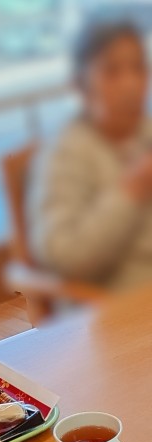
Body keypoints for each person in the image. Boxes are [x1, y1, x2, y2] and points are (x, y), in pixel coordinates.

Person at [27, 19, 152, 290]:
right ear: (80, 86)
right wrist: (132, 189)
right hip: (120, 304)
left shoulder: (146, 132)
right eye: (112, 71)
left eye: (139, 68)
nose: (131, 84)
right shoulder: (65, 154)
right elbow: (65, 257)